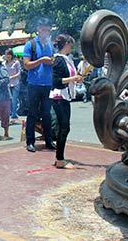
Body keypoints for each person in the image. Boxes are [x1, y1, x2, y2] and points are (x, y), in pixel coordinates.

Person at [23, 17, 55, 152]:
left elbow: (53, 61)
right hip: (34, 84)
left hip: (47, 84)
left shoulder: (50, 45)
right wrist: (41, 60)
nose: (45, 32)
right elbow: (26, 65)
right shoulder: (31, 44)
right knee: (32, 114)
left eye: (48, 30)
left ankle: (49, 140)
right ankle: (30, 141)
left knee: (47, 114)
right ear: (38, 30)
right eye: (43, 29)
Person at [50, 35, 83, 169]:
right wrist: (72, 78)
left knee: (63, 128)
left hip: (64, 96)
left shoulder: (66, 59)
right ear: (66, 44)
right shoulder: (58, 60)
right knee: (64, 128)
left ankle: (59, 157)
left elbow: (67, 78)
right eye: (71, 44)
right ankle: (60, 159)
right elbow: (55, 81)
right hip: (59, 96)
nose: (72, 47)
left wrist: (75, 79)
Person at [4, 48, 21, 124]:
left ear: (11, 55)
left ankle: (13, 116)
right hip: (7, 84)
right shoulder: (4, 63)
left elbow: (19, 73)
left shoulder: (16, 62)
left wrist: (12, 77)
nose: (8, 56)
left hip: (15, 83)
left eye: (9, 54)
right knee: (9, 101)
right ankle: (13, 113)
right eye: (6, 54)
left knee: (14, 100)